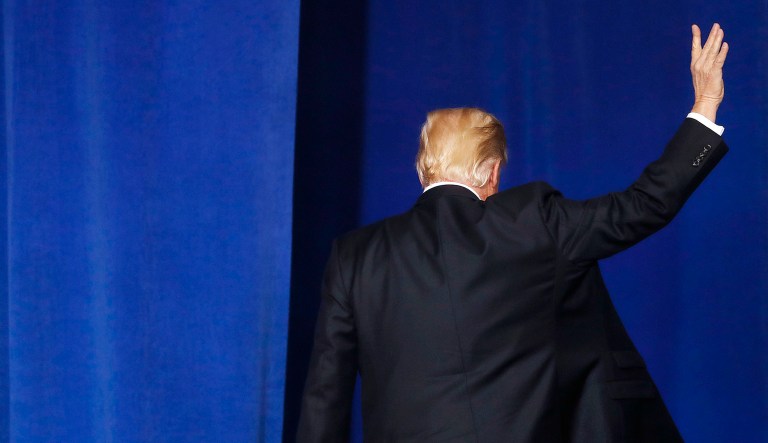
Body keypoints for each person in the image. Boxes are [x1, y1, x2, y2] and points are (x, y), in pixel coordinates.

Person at [296, 23, 729, 442]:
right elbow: (644, 205)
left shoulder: (355, 256)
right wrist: (705, 105)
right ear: (494, 171)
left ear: (422, 167)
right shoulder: (534, 222)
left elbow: (325, 398)